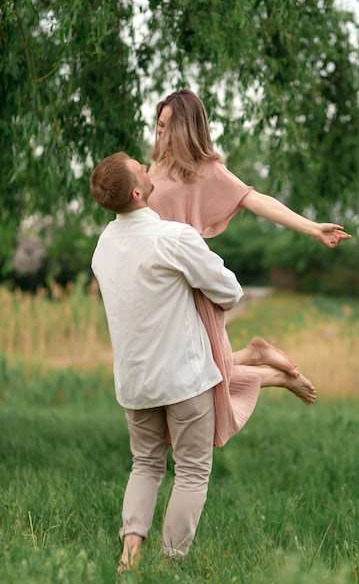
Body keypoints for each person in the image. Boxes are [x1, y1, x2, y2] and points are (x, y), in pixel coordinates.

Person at [89, 152, 293, 569]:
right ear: (135, 190)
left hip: (135, 383)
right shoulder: (173, 237)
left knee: (145, 465)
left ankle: (129, 559)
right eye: (140, 168)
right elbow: (230, 291)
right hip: (184, 379)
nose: (148, 167)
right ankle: (170, 563)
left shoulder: (103, 246)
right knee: (192, 470)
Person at [147, 89, 351, 447]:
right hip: (163, 287)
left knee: (204, 378)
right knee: (195, 375)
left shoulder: (208, 171)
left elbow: (257, 201)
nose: (159, 134)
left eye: (166, 127)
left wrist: (313, 228)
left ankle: (269, 368)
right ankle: (258, 358)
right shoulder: (154, 168)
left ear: (186, 130)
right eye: (158, 125)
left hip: (192, 285)